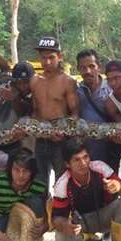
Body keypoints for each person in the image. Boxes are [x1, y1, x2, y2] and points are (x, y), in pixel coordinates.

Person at [51, 141, 121, 241]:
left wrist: (118, 186)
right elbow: (56, 218)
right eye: (77, 160)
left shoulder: (100, 168)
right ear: (67, 164)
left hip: (105, 216)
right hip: (81, 223)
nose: (83, 163)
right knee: (61, 238)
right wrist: (65, 225)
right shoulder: (62, 184)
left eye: (85, 157)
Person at [16, 36, 79, 191]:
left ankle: (62, 214)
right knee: (39, 185)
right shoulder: (35, 81)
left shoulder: (68, 81)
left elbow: (76, 114)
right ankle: (42, 215)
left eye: (51, 57)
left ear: (60, 57)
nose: (47, 62)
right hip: (40, 141)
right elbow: (34, 112)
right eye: (43, 58)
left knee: (62, 184)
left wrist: (64, 133)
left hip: (61, 141)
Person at [76, 49, 113, 164]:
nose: (88, 71)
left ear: (99, 67)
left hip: (109, 148)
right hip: (85, 152)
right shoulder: (76, 92)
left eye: (92, 66)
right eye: (83, 68)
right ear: (78, 69)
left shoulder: (111, 88)